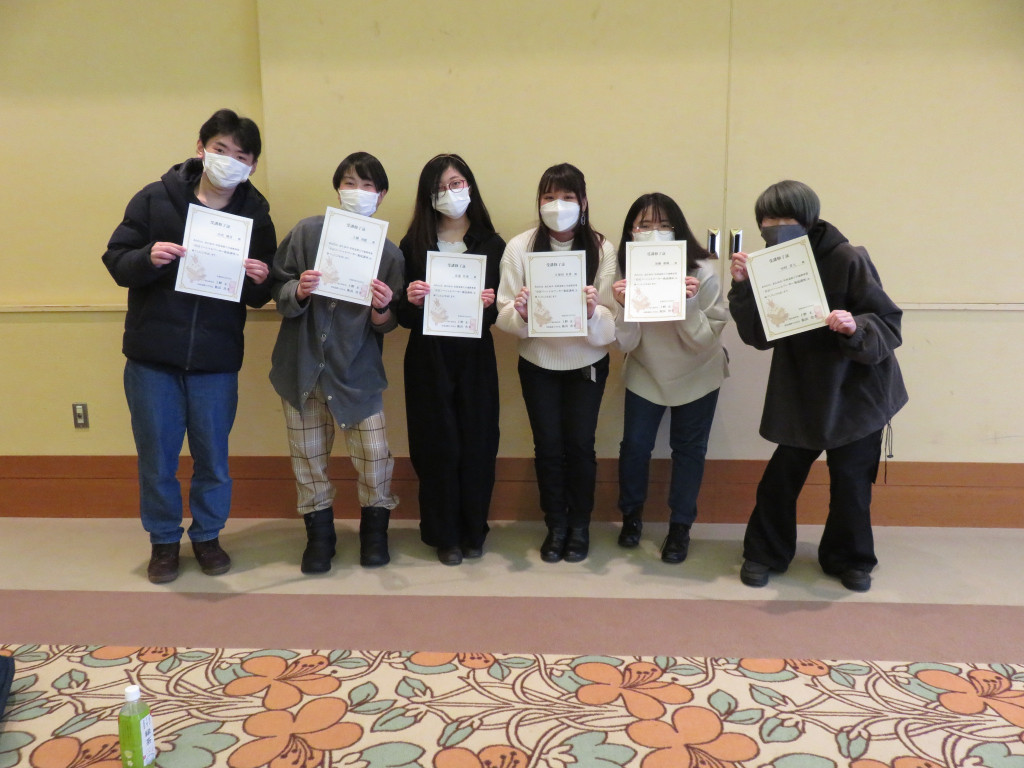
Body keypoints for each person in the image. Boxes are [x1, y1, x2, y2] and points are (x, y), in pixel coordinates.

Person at [102, 108, 277, 584]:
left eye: (241, 156)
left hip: (216, 360)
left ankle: (207, 536)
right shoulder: (155, 198)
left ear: (252, 165)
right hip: (152, 357)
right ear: (201, 149)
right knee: (157, 458)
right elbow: (116, 260)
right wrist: (148, 257)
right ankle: (163, 541)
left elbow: (261, 293)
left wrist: (260, 278)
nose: (229, 161)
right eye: (220, 149)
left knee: (213, 459)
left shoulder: (255, 215)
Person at [728, 180, 908, 592]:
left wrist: (854, 326)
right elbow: (758, 336)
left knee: (851, 482)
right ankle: (765, 553)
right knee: (780, 478)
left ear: (807, 219)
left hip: (857, 392)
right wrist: (743, 287)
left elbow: (888, 324)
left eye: (785, 217)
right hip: (803, 391)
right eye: (768, 219)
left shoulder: (847, 257)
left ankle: (851, 559)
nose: (776, 226)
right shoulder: (769, 265)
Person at [269, 152, 403, 573]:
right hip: (302, 369)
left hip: (356, 374)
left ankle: (374, 533)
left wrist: (382, 308)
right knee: (308, 458)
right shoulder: (307, 233)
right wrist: (298, 290)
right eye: (349, 183)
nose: (357, 192)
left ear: (381, 195)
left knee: (375, 456)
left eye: (367, 185)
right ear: (337, 188)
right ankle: (320, 537)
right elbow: (277, 288)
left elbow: (388, 324)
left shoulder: (389, 254)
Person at [496, 163, 617, 563]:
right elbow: (502, 314)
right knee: (547, 447)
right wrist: (522, 314)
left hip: (587, 363)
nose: (558, 205)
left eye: (567, 197)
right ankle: (556, 525)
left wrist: (592, 311)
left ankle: (579, 526)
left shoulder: (602, 248)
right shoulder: (520, 247)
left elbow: (611, 323)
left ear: (583, 202)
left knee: (580, 446)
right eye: (549, 197)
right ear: (539, 202)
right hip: (538, 363)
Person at [397, 154, 505, 566]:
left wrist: (491, 305)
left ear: (470, 186)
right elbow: (402, 316)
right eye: (440, 187)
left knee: (478, 443)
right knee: (435, 446)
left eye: (456, 183)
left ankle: (474, 530)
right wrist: (410, 301)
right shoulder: (413, 244)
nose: (449, 193)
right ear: (428, 196)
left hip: (475, 358)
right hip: (428, 357)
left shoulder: (492, 244)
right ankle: (444, 535)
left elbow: (500, 313)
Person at [612, 193, 729, 562]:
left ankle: (680, 527)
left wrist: (689, 304)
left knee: (689, 450)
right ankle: (631, 516)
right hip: (646, 370)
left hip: (698, 373)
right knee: (634, 446)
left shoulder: (702, 273)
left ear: (678, 230)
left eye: (664, 225)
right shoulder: (623, 273)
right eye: (645, 225)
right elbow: (625, 342)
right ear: (631, 232)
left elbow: (704, 342)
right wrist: (623, 307)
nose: (655, 232)